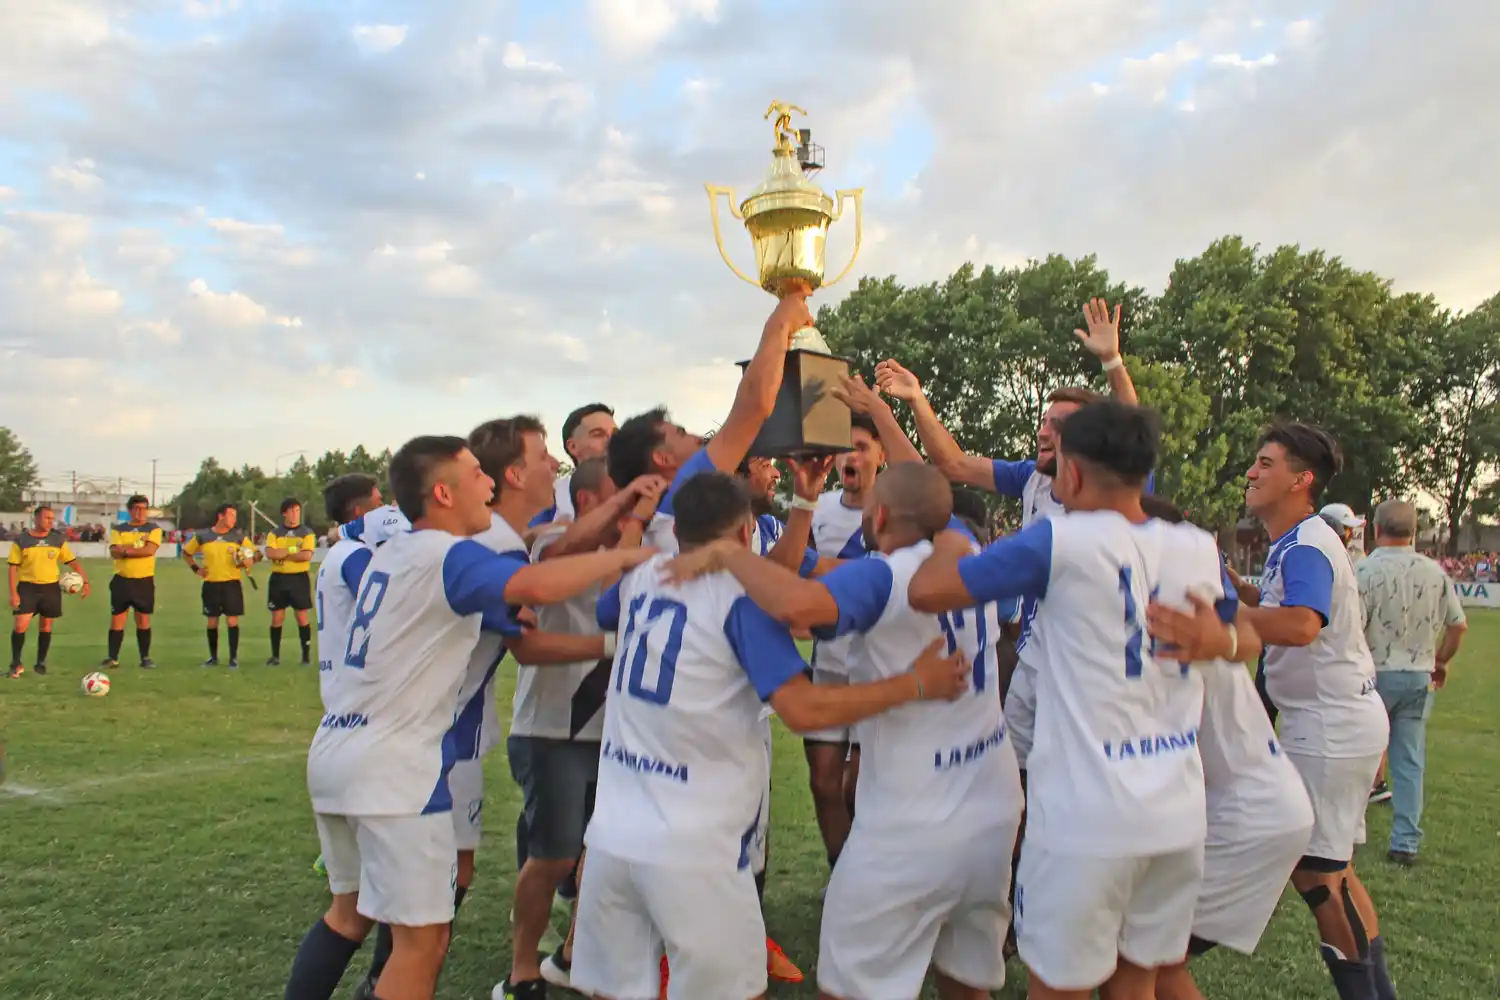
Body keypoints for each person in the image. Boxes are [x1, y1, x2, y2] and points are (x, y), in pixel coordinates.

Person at [569, 471, 969, 1000]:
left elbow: (605, 601)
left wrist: (635, 526)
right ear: (745, 533)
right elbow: (805, 710)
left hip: (610, 841)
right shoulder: (740, 599)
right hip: (694, 847)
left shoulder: (642, 577)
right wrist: (915, 682)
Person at [282, 434, 657, 1000]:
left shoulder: (400, 552)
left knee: (346, 916)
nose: (488, 483)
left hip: (337, 750)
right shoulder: (449, 554)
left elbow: (534, 550)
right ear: (442, 492)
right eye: (477, 473)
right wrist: (629, 555)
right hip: (397, 769)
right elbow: (529, 580)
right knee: (422, 943)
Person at [907, 400, 1231, 1000]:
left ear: (1073, 473)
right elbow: (1240, 632)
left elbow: (929, 593)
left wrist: (950, 531)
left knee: (1061, 986)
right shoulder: (1197, 546)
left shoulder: (1059, 539)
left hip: (1089, 819)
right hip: (1178, 811)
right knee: (1137, 984)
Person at [665, 462, 1025, 1000]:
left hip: (916, 818)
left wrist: (729, 551)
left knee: (851, 986)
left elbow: (794, 605)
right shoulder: (966, 558)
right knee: (968, 978)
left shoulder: (885, 573)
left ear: (878, 516)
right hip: (992, 805)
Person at [1136, 496, 1315, 1000]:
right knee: (1146, 959)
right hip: (1260, 799)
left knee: (1141, 961)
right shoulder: (1193, 603)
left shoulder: (1171, 616)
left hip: (1247, 813)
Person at [1240, 424, 1397, 1000]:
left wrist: (1226, 624)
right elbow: (1286, 606)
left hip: (1327, 724)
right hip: (1336, 717)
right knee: (1333, 872)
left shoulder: (1305, 543)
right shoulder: (1299, 541)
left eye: (1265, 463)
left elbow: (1304, 623)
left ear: (1301, 479)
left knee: (1317, 878)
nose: (1251, 473)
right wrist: (1238, 591)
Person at [1356, 499, 1468, 867]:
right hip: (1419, 674)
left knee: (1360, 754)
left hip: (1373, 675)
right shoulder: (1434, 572)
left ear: (1376, 530)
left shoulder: (1365, 571)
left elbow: (1353, 626)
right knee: (1409, 759)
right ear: (1415, 532)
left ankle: (1350, 829)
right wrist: (1441, 660)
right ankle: (1405, 841)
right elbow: (1457, 624)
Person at [802, 413, 886, 878]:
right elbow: (798, 565)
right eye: (844, 448)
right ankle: (843, 874)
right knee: (823, 783)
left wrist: (827, 570)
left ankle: (871, 876)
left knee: (861, 788)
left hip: (877, 667)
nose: (850, 457)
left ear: (881, 454)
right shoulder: (818, 507)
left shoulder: (896, 508)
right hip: (830, 663)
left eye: (861, 446)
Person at [8, 504, 89, 678]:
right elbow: (13, 568)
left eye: (52, 518)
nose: (50, 521)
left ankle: (41, 663)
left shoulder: (57, 539)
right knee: (21, 624)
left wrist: (85, 581)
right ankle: (16, 664)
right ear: (36, 518)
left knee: (46, 626)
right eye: (47, 518)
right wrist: (13, 593)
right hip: (27, 587)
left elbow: (72, 561)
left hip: (51, 588)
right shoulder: (22, 540)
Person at [182, 504, 259, 668]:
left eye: (235, 516)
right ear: (220, 516)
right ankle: (213, 657)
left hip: (231, 584)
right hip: (211, 584)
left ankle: (233, 658)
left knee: (232, 621)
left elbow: (257, 553)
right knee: (212, 622)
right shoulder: (203, 536)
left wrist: (249, 560)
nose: (234, 519)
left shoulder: (238, 537)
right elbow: (187, 553)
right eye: (231, 515)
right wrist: (197, 569)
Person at [530, 403, 617, 528]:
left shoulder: (645, 489)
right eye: (598, 434)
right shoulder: (553, 494)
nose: (610, 441)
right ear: (573, 447)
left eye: (614, 434)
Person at [103, 495, 161, 670]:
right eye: (136, 508)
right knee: (117, 620)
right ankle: (112, 658)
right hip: (122, 580)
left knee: (143, 619)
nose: (140, 512)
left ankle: (145, 658)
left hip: (144, 580)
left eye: (144, 508)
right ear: (130, 511)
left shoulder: (153, 529)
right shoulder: (118, 529)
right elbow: (114, 551)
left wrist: (126, 551)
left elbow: (149, 550)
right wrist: (137, 549)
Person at [265, 498, 318, 666]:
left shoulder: (307, 533)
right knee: (277, 618)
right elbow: (270, 553)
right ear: (284, 513)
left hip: (299, 579)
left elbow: (306, 555)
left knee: (302, 618)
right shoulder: (274, 533)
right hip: (279, 579)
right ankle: (275, 657)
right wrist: (293, 552)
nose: (295, 514)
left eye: (297, 511)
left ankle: (305, 657)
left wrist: (284, 553)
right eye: (292, 511)